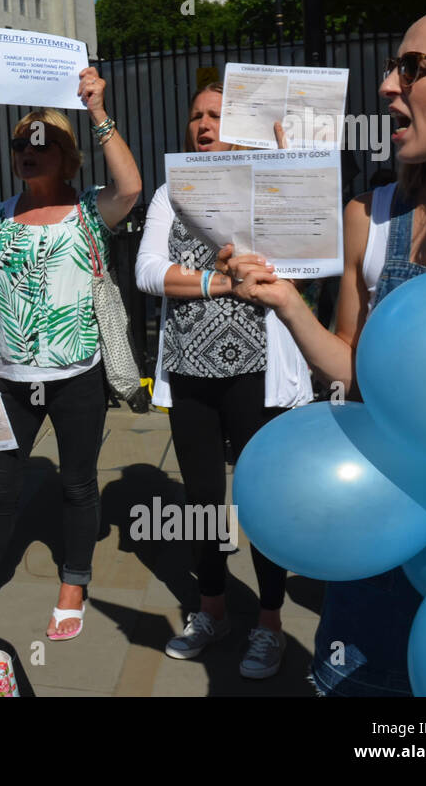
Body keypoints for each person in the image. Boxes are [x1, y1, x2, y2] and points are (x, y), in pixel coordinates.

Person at [224, 0, 426, 695]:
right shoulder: (375, 215)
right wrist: (284, 305)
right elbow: (359, 376)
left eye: (413, 66)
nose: (387, 85)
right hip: (378, 547)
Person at [134, 81, 313, 679]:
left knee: (261, 500)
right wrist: (221, 282)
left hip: (258, 374)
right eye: (196, 116)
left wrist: (288, 160)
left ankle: (268, 623)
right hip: (190, 373)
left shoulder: (269, 189)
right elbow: (149, 272)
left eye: (216, 115)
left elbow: (308, 254)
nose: (203, 125)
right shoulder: (169, 194)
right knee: (202, 501)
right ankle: (212, 610)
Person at [0, 69, 143, 641]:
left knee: (76, 482)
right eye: (21, 143)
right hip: (9, 376)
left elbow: (133, 188)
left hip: (77, 375)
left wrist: (96, 112)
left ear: (67, 157)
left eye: (43, 144)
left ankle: (74, 580)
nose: (29, 152)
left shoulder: (91, 210)